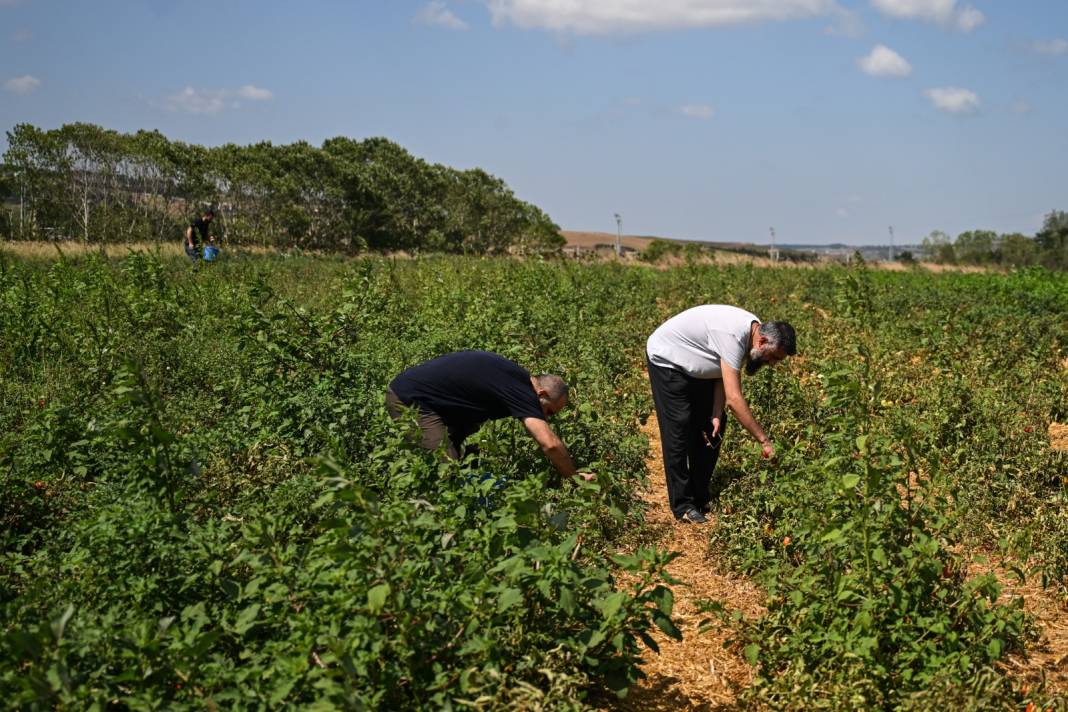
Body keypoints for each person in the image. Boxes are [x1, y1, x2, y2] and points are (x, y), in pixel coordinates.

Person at [646, 305, 796, 524]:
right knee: (678, 428)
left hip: (699, 367)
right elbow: (734, 400)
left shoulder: (754, 334)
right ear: (762, 342)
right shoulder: (733, 337)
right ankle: (683, 505)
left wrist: (716, 412)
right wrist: (764, 441)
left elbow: (720, 369)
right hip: (669, 359)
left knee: (713, 427)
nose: (772, 364)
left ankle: (699, 495)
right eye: (774, 358)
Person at [386, 350, 595, 483]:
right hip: (411, 399)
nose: (546, 418)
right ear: (541, 394)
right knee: (446, 474)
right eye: (548, 411)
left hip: (434, 403)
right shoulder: (523, 391)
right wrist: (574, 478)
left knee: (463, 460)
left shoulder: (518, 380)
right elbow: (549, 444)